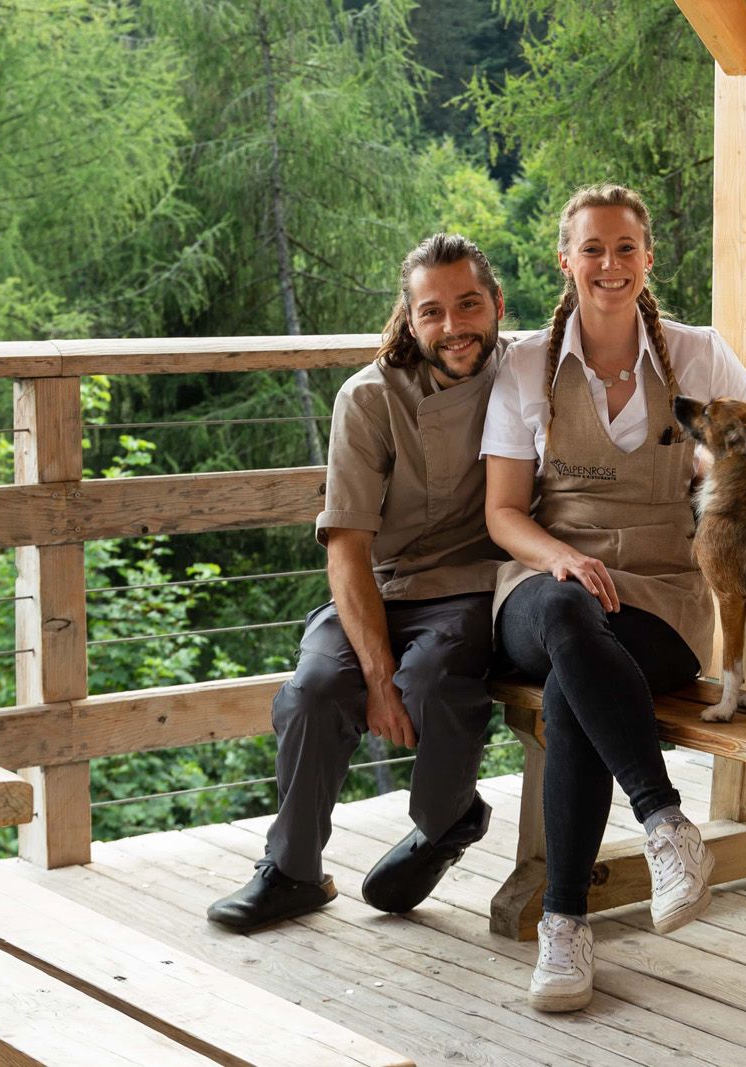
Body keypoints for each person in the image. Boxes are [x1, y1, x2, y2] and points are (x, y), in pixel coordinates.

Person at [482, 184, 746, 1011]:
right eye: (592, 249)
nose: (609, 265)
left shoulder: (696, 355)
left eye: (626, 248)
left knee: (573, 686)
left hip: (660, 593)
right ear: (566, 260)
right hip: (541, 583)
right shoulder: (524, 364)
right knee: (564, 616)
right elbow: (503, 511)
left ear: (648, 258)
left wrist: (732, 489)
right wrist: (559, 556)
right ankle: (665, 822)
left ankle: (564, 929)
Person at [207, 234, 510, 932]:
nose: (454, 327)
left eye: (469, 305)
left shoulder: (524, 374)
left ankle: (446, 822)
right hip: (376, 581)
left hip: (470, 582)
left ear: (495, 304)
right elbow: (346, 546)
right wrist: (376, 679)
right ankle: (292, 871)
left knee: (434, 681)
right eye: (432, 311)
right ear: (409, 318)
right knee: (312, 689)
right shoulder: (368, 397)